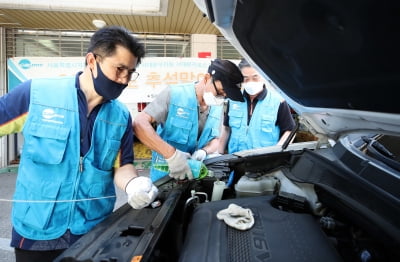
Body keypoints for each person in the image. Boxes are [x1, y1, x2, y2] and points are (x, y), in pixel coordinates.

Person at [0, 26, 158, 262]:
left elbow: (122, 166)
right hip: (36, 230)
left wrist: (134, 184)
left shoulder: (120, 117)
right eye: (119, 69)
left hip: (93, 229)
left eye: (131, 72)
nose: (124, 80)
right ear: (92, 61)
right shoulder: (36, 94)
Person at [133, 58, 244, 182]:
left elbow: (216, 140)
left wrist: (204, 151)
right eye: (219, 91)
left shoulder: (217, 106)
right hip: (165, 177)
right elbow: (139, 124)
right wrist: (172, 156)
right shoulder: (174, 94)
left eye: (225, 96)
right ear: (207, 78)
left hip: (195, 176)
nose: (221, 97)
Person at [218, 58, 296, 154]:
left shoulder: (278, 101)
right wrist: (219, 155)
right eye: (246, 79)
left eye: (255, 77)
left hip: (264, 163)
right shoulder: (234, 100)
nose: (251, 82)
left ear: (263, 76)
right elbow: (226, 128)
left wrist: (278, 151)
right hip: (235, 160)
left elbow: (290, 131)